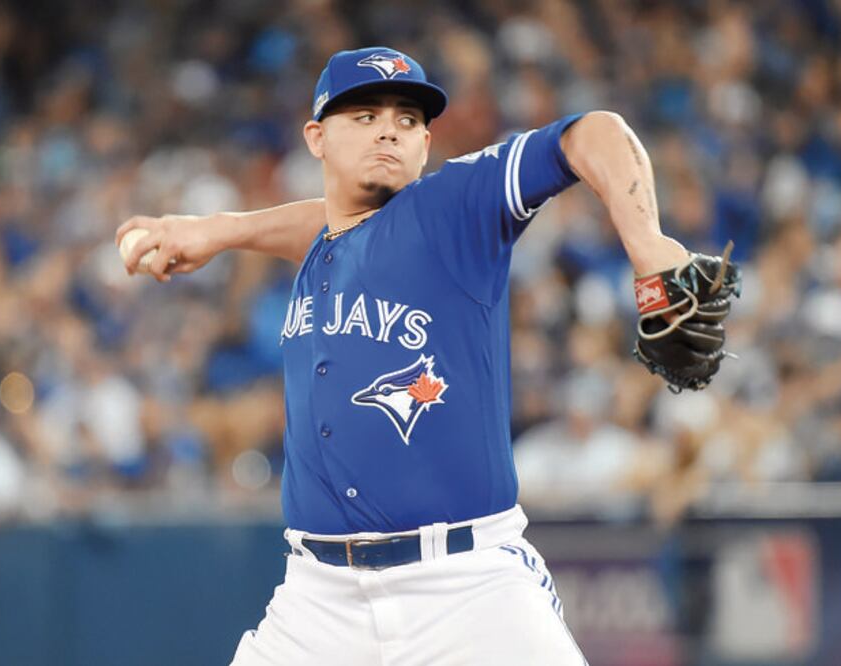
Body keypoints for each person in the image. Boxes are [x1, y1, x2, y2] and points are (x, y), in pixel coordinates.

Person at [118, 46, 693, 665]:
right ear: (316, 137)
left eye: (408, 119)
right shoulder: (330, 238)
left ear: (425, 143)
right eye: (364, 115)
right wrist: (220, 229)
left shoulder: (453, 209)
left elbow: (592, 133)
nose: (390, 127)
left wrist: (648, 244)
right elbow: (321, 223)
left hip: (467, 592)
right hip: (316, 600)